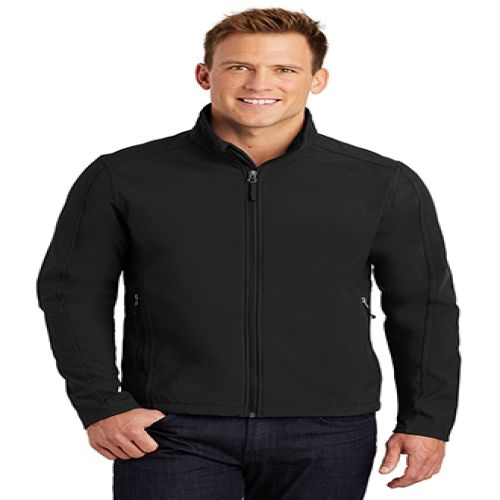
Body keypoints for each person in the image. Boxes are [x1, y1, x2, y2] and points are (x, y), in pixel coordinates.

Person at [36, 7, 461, 499]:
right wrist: (102, 405)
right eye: (239, 66)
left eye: (285, 69)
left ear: (317, 79)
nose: (260, 83)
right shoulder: (123, 176)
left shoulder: (381, 182)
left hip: (327, 430)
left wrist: (427, 420)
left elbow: (424, 307)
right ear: (204, 75)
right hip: (169, 428)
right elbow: (71, 294)